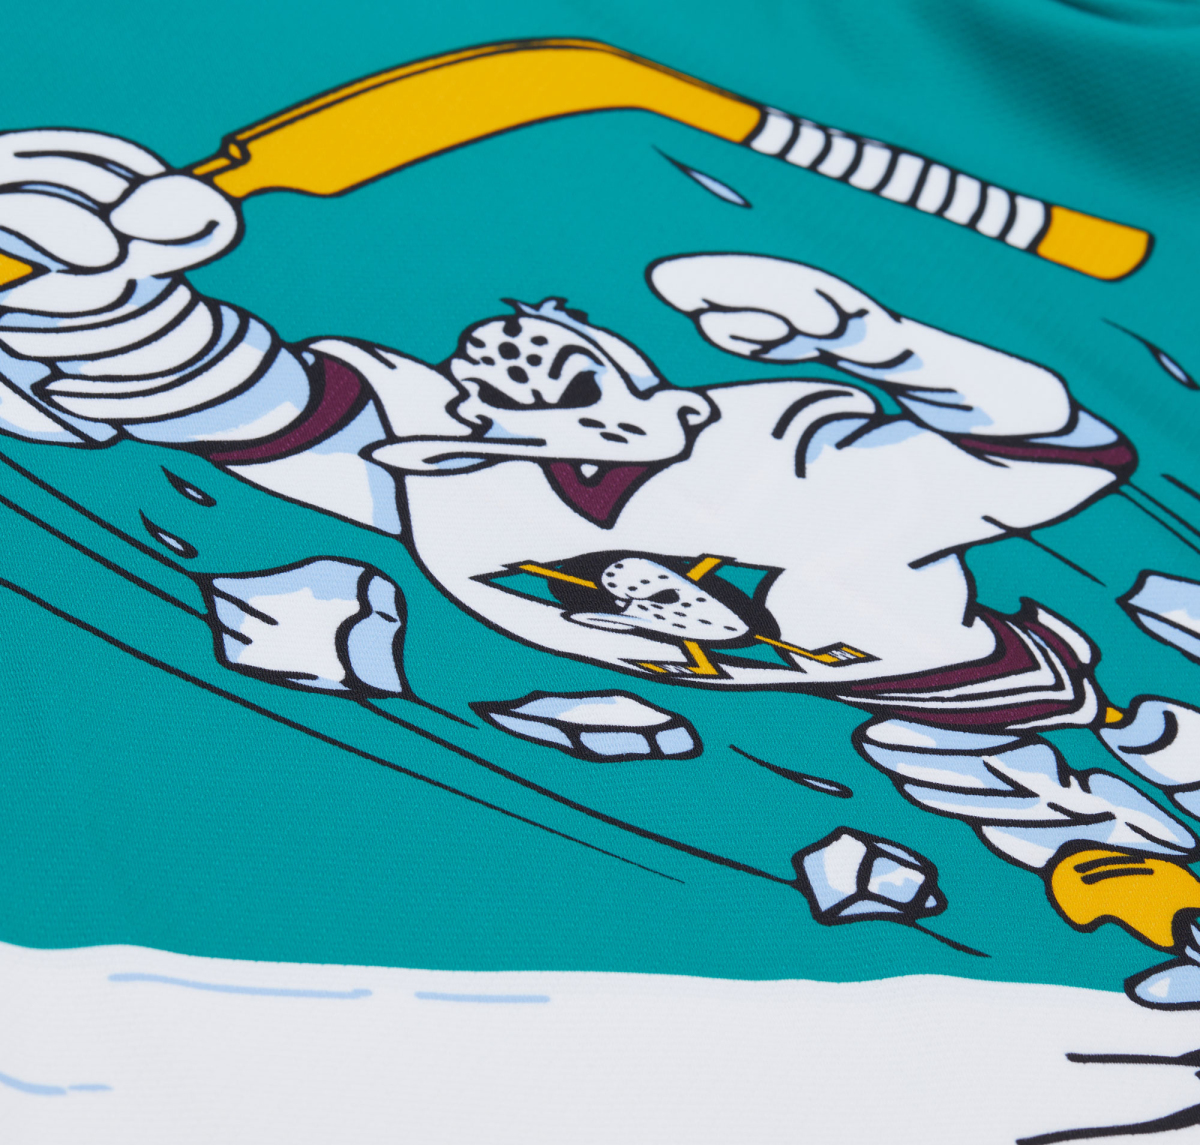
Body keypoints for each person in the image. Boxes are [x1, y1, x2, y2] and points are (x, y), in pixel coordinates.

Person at [4, 129, 1200, 1007]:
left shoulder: (791, 456)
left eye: (560, 383)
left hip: (942, 670)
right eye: (495, 397)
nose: (527, 412)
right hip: (878, 694)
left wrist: (876, 345)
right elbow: (261, 410)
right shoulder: (455, 486)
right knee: (1016, 800)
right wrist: (114, 325)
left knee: (1114, 754)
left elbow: (1050, 457)